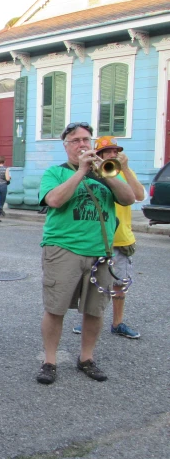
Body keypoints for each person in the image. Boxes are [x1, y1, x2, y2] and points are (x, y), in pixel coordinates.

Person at [36, 123, 135, 385]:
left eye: (86, 140)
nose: (82, 144)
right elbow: (54, 200)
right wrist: (80, 171)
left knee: (95, 310)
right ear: (66, 146)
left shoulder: (105, 173)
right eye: (76, 140)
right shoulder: (55, 172)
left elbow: (128, 198)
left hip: (100, 251)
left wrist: (112, 172)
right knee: (55, 308)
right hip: (63, 249)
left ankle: (86, 358)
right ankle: (49, 360)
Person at [72, 137, 144, 339]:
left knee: (120, 282)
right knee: (93, 284)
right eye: (109, 151)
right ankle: (88, 322)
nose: (113, 154)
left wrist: (126, 169)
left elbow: (139, 196)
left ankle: (117, 323)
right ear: (99, 154)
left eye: (116, 151)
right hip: (98, 238)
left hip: (121, 238)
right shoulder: (92, 174)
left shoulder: (125, 173)